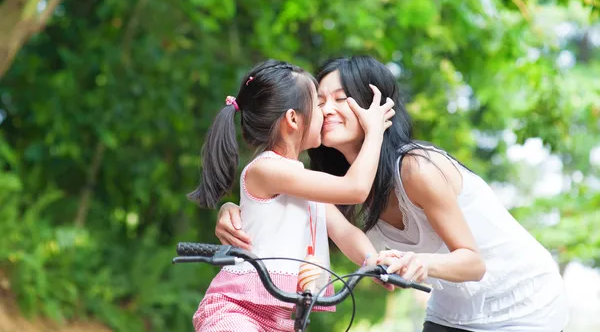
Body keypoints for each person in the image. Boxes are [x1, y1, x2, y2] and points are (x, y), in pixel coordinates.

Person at [215, 56, 569, 332]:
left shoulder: (417, 169)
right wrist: (233, 207)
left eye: (341, 99)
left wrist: (396, 263)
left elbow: (473, 263)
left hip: (522, 303)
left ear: (376, 107)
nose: (326, 110)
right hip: (454, 309)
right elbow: (316, 205)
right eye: (319, 101)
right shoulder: (335, 181)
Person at [190, 59, 395, 332]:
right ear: (293, 119)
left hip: (281, 321)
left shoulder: (303, 183)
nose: (325, 113)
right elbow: (355, 189)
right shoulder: (267, 168)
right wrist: (374, 132)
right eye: (318, 105)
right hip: (236, 311)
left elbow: (345, 232)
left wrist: (374, 261)